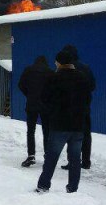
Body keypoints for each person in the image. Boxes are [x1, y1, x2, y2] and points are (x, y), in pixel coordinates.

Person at [36, 49, 93, 194]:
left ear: (59, 63)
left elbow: (43, 99)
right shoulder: (83, 78)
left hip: (59, 124)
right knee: (75, 159)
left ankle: (44, 185)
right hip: (78, 125)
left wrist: (51, 112)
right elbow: (88, 100)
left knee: (52, 156)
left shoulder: (54, 78)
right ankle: (72, 188)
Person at [59, 45, 95, 169]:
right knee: (86, 134)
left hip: (70, 107)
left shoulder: (65, 69)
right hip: (85, 106)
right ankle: (86, 161)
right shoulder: (86, 68)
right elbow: (92, 86)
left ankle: (73, 161)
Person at [18, 55, 53, 167]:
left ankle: (31, 155)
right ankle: (47, 155)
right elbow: (54, 88)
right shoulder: (50, 72)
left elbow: (21, 85)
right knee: (46, 131)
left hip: (31, 104)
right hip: (45, 106)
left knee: (31, 131)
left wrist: (29, 95)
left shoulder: (28, 70)